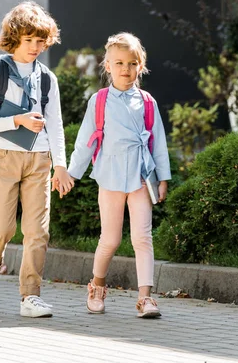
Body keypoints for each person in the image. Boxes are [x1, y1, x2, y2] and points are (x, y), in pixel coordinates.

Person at [0, 1, 74, 317]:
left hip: (40, 160)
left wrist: (61, 164)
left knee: (37, 232)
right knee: (2, 229)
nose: (35, 47)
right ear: (14, 38)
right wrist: (17, 121)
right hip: (5, 156)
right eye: (28, 40)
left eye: (39, 41)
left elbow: (55, 123)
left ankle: (30, 296)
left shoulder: (47, 79)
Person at [68, 32, 171, 318]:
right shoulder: (99, 101)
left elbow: (158, 141)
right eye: (119, 63)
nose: (126, 69)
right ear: (108, 66)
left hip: (140, 177)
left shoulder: (147, 102)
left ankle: (146, 298)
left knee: (143, 238)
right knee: (110, 239)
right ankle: (97, 286)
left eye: (132, 63)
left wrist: (162, 177)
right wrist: (71, 174)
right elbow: (85, 141)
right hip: (111, 177)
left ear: (141, 66)